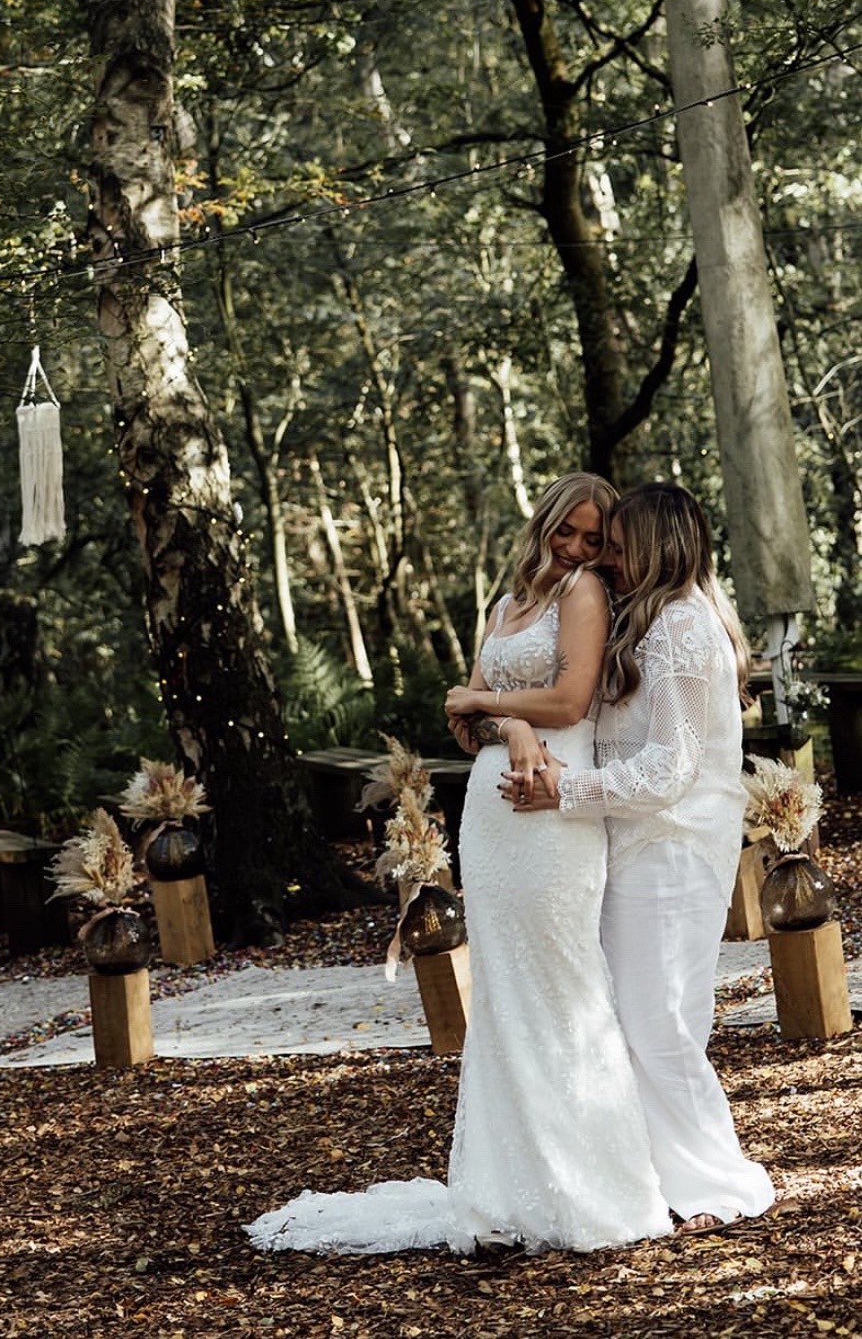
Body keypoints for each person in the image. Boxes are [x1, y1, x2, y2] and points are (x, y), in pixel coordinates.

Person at [245, 471, 672, 1257]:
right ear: (540, 525)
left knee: (566, 981)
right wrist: (497, 721)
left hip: (551, 803)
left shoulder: (585, 595)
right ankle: (510, 1186)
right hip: (492, 811)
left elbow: (572, 702)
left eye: (591, 536)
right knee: (505, 992)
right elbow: (463, 718)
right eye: (564, 532)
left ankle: (597, 1188)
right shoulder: (505, 608)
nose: (577, 548)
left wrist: (490, 710)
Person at [500, 482, 775, 1234]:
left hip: (677, 847)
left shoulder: (685, 629)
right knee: (640, 1017)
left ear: (657, 547)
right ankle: (658, 1171)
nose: (608, 561)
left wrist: (567, 791)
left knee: (661, 1023)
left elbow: (669, 771)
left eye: (619, 547)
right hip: (639, 842)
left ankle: (717, 1179)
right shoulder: (652, 622)